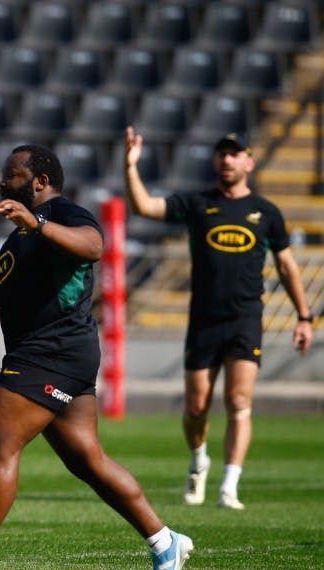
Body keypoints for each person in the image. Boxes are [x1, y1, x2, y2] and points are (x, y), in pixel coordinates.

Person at [0, 144, 192, 570]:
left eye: (11, 174)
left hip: (49, 352)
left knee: (1, 446)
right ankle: (164, 540)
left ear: (39, 181)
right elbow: (4, 295)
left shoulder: (66, 213)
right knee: (88, 461)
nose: (2, 182)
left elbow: (94, 247)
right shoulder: (21, 234)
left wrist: (35, 222)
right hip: (59, 353)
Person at [124, 128, 315, 510]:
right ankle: (198, 461)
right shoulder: (198, 203)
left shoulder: (266, 212)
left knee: (239, 400)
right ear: (215, 161)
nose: (227, 160)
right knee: (196, 407)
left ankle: (230, 484)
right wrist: (131, 167)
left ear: (249, 162)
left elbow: (287, 267)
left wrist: (304, 316)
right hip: (204, 321)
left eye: (235, 154)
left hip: (245, 318)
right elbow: (145, 207)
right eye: (222, 154)